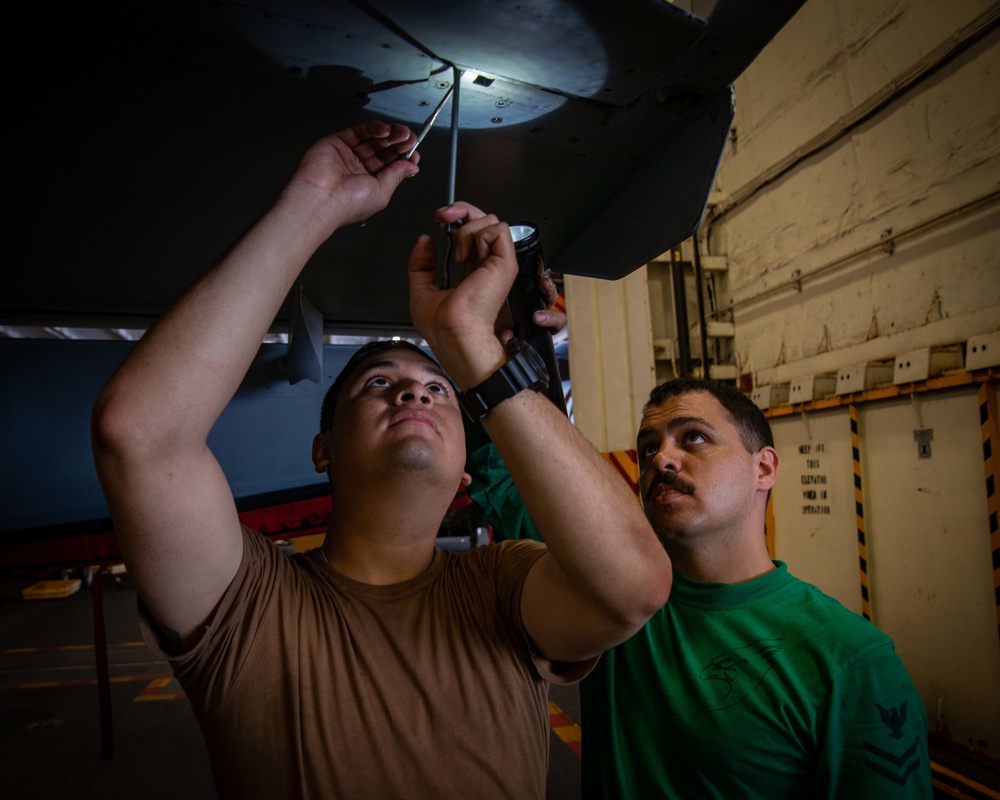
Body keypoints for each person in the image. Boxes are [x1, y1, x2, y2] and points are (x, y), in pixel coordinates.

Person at [90, 120, 672, 799]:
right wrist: (312, 205)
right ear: (323, 450)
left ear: (463, 469)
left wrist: (474, 349)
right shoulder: (248, 603)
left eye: (437, 391)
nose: (412, 391)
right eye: (377, 384)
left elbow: (633, 586)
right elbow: (139, 433)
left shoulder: (502, 588)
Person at [468, 377, 932, 798]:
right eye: (648, 448)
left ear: (764, 469)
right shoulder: (613, 594)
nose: (662, 459)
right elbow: (507, 472)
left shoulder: (852, 661)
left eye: (694, 438)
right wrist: (512, 357)